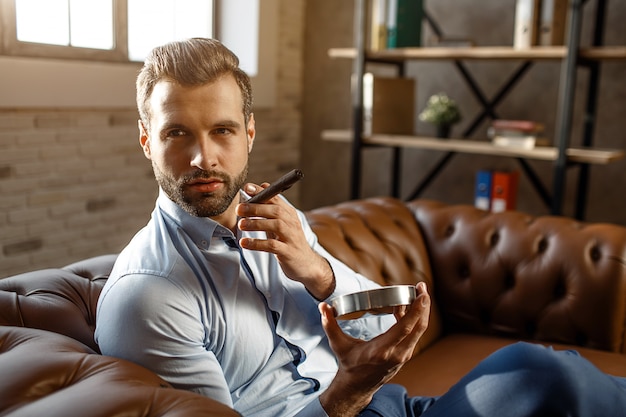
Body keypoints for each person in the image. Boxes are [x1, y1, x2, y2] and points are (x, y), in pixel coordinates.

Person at [95, 38, 626, 417]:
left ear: (249, 134)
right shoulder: (147, 297)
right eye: (177, 133)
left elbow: (377, 333)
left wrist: (319, 271)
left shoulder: (282, 220)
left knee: (539, 370)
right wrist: (344, 394)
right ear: (147, 140)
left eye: (222, 130)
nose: (201, 157)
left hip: (396, 407)